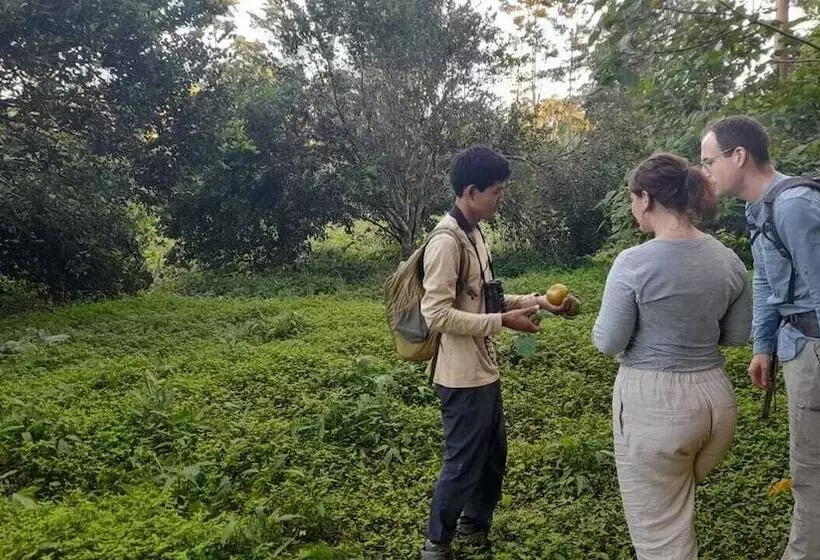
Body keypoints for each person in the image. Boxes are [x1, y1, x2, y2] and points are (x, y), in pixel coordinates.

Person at [592, 152, 752, 559]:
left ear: (645, 199)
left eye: (633, 199)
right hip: (715, 402)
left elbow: (609, 341)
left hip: (657, 405)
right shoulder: (728, 260)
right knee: (677, 506)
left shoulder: (633, 263)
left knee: (660, 536)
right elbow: (736, 336)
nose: (632, 208)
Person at [419, 145, 572, 560]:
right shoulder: (446, 242)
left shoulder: (475, 234)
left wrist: (539, 301)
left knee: (492, 456)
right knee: (463, 461)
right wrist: (502, 323)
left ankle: (473, 526)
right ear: (471, 191)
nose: (501, 197)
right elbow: (435, 315)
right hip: (460, 375)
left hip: (484, 369)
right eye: (497, 191)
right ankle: (437, 544)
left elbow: (486, 300)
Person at [700, 115, 820, 560]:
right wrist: (763, 346)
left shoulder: (793, 206)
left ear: (739, 156)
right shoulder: (759, 207)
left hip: (814, 350)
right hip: (797, 347)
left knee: (810, 470)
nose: (706, 171)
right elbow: (768, 283)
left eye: (709, 160)